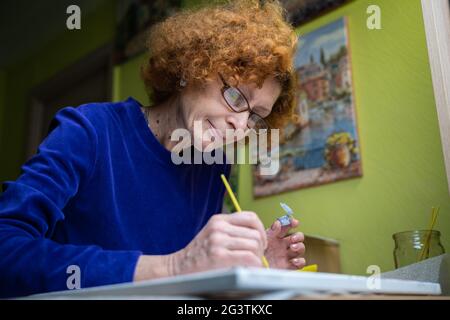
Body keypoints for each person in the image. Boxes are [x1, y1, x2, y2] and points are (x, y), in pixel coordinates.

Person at [0, 0, 305, 298]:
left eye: (255, 116)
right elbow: (6, 249)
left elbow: (189, 287)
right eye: (237, 97)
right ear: (193, 67)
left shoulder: (215, 166)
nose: (240, 126)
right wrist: (174, 266)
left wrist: (256, 271)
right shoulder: (89, 131)